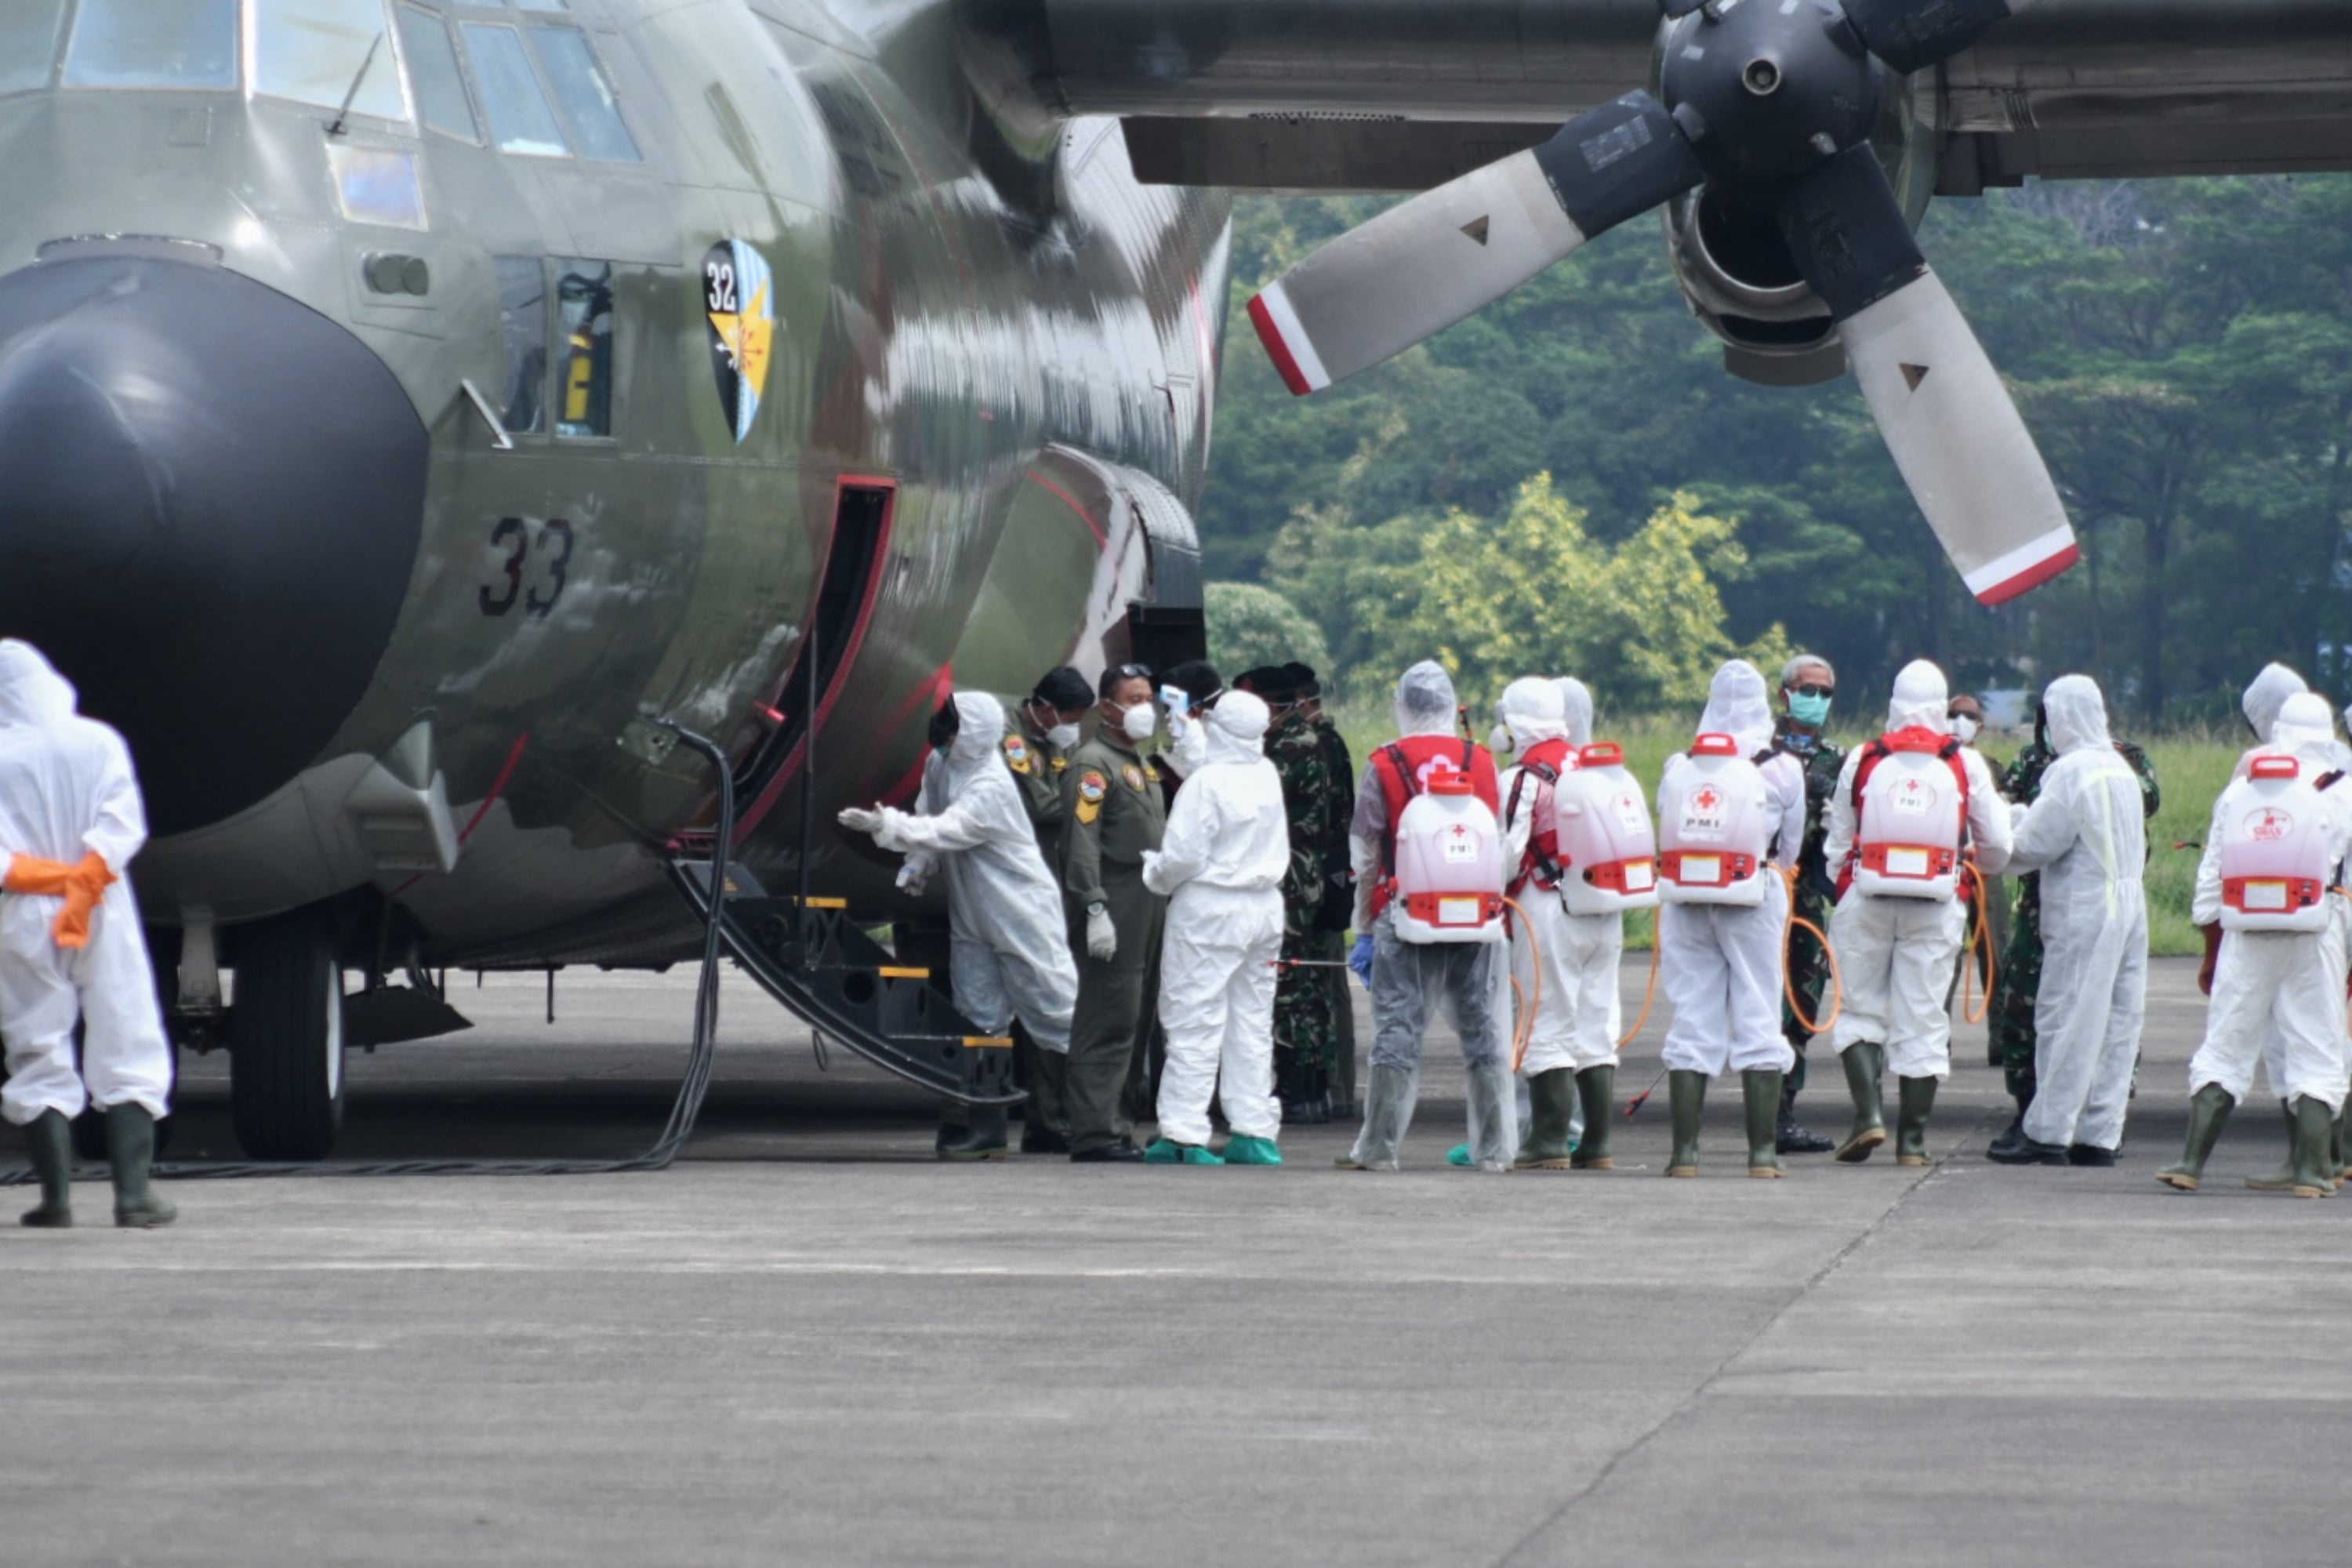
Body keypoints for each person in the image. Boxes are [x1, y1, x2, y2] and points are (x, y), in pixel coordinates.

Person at [839, 692, 1079, 1160]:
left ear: (974, 735)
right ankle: (985, 1129)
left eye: (953, 730)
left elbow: (948, 828)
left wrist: (885, 824)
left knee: (1056, 1011)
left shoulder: (989, 784)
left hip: (1020, 909)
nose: (944, 738)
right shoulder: (942, 765)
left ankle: (1090, 1121)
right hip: (973, 909)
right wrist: (917, 865)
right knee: (980, 1017)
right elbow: (931, 814)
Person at [0, 641, 176, 1229]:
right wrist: (84, 883)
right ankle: (134, 1196)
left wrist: (55, 882)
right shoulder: (98, 741)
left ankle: (56, 1199)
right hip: (104, 904)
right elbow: (123, 824)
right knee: (126, 1030)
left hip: (23, 912)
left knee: (36, 1039)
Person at [2158, 691, 2352, 1196]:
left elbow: (2211, 877)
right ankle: (2312, 1172)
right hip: (2317, 932)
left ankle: (2191, 1162)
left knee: (2227, 1043)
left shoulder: (2241, 792)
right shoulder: (2344, 791)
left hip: (2246, 933)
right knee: (2317, 1045)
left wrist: (2210, 945)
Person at [1823, 659, 2013, 1167]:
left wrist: (1847, 885)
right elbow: (1997, 844)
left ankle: (1867, 1116)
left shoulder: (1863, 758)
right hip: (1937, 903)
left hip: (1867, 898)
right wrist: (1972, 874)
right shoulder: (1965, 763)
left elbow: (1837, 842)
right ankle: (1912, 1142)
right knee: (1925, 1020)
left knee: (1859, 1009)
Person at [1340, 661, 1515, 1172]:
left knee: (1397, 1029)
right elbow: (1499, 845)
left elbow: (1366, 853)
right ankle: (1495, 1150)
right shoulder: (1481, 761)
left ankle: (1379, 1149)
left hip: (1406, 914)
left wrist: (1365, 927)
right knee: (1484, 1031)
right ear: (1447, 703)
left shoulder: (1385, 762)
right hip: (1476, 918)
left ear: (1404, 705)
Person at [1984, 677, 2149, 1166]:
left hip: (2085, 908)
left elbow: (2035, 846)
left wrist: (2004, 819)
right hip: (2129, 905)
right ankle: (2100, 1134)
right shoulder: (2120, 768)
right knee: (2118, 1022)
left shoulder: (2070, 770)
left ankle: (2047, 1131)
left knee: (2065, 1017)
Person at [1655, 660, 1806, 1178]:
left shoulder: (1680, 766)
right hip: (1754, 897)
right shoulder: (1781, 767)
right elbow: (1790, 847)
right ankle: (1762, 1155)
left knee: (1691, 1017)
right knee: (1759, 1011)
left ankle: (1685, 1155)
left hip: (1686, 902)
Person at [1142, 691, 1290, 1164]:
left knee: (1193, 1019)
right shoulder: (1265, 774)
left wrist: (1154, 873)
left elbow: (1183, 857)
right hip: (1264, 907)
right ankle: (1254, 1132)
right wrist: (1191, 737)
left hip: (1210, 909)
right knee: (1250, 1022)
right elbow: (1217, 764)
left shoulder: (1205, 785)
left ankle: (1184, 1135)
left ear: (1218, 728)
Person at [1494, 677, 1623, 1171]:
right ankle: (1597, 1143)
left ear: (1517, 721)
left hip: (1548, 910)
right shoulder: (1594, 766)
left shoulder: (1524, 776)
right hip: (1604, 910)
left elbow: (1506, 856)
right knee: (1596, 1020)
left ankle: (1547, 1140)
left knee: (1546, 1017)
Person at [1057, 665, 1167, 1163]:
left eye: (1148, 698)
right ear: (1108, 706)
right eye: (1134, 698)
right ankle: (1095, 1132)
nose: (1144, 708)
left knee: (1137, 1016)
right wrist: (1094, 905)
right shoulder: (1093, 765)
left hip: (1146, 899)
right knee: (1109, 1015)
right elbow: (1081, 844)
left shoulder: (1138, 763)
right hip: (1116, 899)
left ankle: (1118, 1125)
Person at [1237, 666, 1342, 1123]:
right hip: (1296, 878)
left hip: (1292, 882)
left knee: (1288, 986)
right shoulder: (1294, 740)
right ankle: (1309, 1086)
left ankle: (1300, 1087)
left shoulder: (1291, 748)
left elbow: (1252, 800)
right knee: (1299, 984)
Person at [1004, 664, 1092, 1153]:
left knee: (1055, 999)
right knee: (1046, 999)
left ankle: (1050, 1115)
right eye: (1069, 717)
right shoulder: (1011, 741)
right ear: (1044, 708)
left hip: (1053, 884)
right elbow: (1044, 806)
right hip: (1025, 889)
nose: (1072, 727)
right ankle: (1044, 1118)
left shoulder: (1054, 741)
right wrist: (1092, 797)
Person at [1766, 654, 1843, 1156]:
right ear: (1786, 693)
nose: (1816, 699)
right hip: (1762, 892)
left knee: (1802, 1002)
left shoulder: (1840, 759)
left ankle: (1783, 1113)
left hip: (1810, 900)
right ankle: (1760, 1112)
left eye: (1825, 691)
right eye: (1807, 689)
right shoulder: (1757, 752)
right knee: (1758, 1002)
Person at [1297, 664, 1361, 1117]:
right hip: (1324, 874)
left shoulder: (1320, 744)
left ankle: (1338, 1088)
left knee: (1328, 980)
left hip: (1322, 877)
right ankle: (1335, 1088)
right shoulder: (1325, 743)